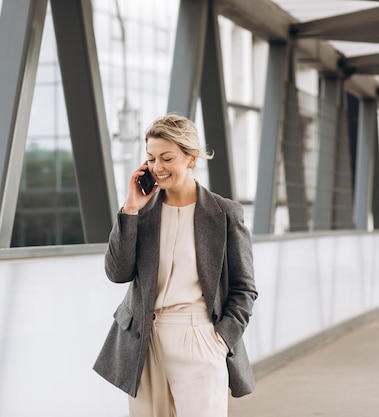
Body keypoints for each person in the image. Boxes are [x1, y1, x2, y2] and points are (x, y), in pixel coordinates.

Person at [93, 113, 258, 417]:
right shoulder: (142, 212)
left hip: (200, 337)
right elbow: (117, 273)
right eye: (151, 158)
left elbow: (245, 288)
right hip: (144, 339)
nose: (157, 168)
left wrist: (221, 339)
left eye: (167, 158)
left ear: (191, 158)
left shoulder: (225, 213)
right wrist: (130, 209)